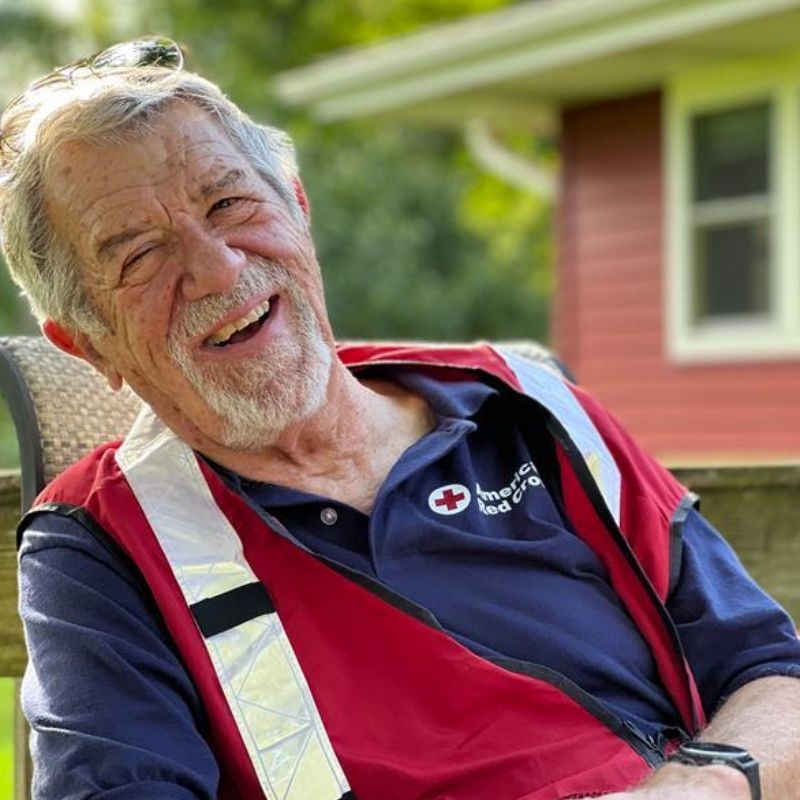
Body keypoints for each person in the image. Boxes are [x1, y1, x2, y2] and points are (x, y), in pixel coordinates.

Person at [0, 37, 798, 800]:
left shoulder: (524, 403)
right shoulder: (101, 545)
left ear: (299, 208)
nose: (216, 268)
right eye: (138, 256)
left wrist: (706, 784)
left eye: (229, 202)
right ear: (87, 345)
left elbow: (770, 668)